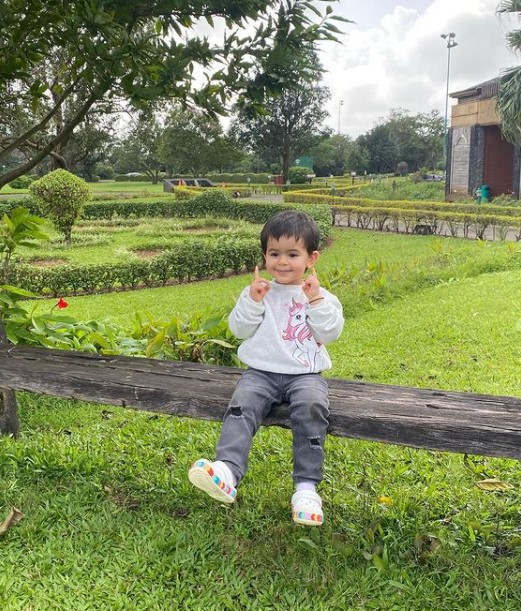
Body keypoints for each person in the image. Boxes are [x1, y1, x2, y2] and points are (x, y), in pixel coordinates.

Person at [188, 210, 344, 526]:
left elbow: (330, 333)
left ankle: (306, 487)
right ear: (264, 256)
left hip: (305, 375)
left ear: (311, 258)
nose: (282, 262)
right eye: (274, 254)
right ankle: (227, 471)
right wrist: (252, 302)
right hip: (260, 373)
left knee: (312, 407)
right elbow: (239, 330)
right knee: (241, 405)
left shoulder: (320, 297)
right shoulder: (259, 293)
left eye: (292, 254)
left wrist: (314, 301)